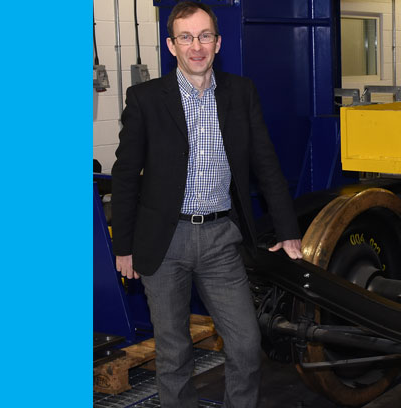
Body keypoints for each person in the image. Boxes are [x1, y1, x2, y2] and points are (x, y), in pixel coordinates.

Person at [111, 2, 303, 406]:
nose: (195, 46)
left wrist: (288, 232)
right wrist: (123, 247)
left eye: (204, 36)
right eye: (186, 37)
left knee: (247, 344)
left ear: (217, 43)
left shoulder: (240, 92)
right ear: (171, 45)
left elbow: (266, 164)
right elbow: (126, 176)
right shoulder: (145, 99)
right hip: (164, 243)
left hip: (221, 239)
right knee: (174, 352)